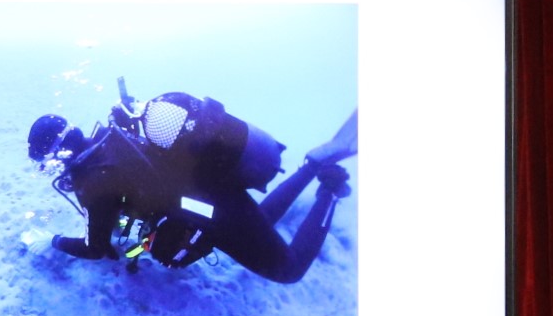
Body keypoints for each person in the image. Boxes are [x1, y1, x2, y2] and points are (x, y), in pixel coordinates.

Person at [27, 93, 355, 286]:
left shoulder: (93, 182)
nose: (51, 172)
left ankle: (328, 188)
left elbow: (95, 248)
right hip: (210, 192)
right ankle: (311, 167)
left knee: (289, 270)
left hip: (210, 213)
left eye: (47, 164)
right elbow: (130, 208)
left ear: (59, 154)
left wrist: (52, 241)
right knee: (259, 222)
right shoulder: (110, 138)